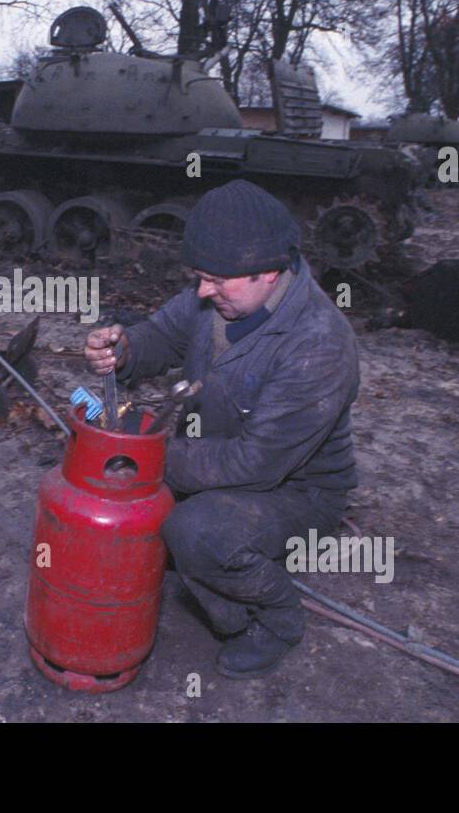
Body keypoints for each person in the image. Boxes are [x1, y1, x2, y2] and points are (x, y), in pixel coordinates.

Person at [85, 179, 360, 678]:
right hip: (218, 456)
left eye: (215, 280)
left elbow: (256, 465)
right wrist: (123, 350)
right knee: (128, 493)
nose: (202, 291)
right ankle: (203, 568)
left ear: (271, 271)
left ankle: (271, 620)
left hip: (297, 491)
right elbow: (161, 336)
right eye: (199, 277)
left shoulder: (319, 343)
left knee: (198, 531)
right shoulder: (218, 293)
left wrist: (152, 457)